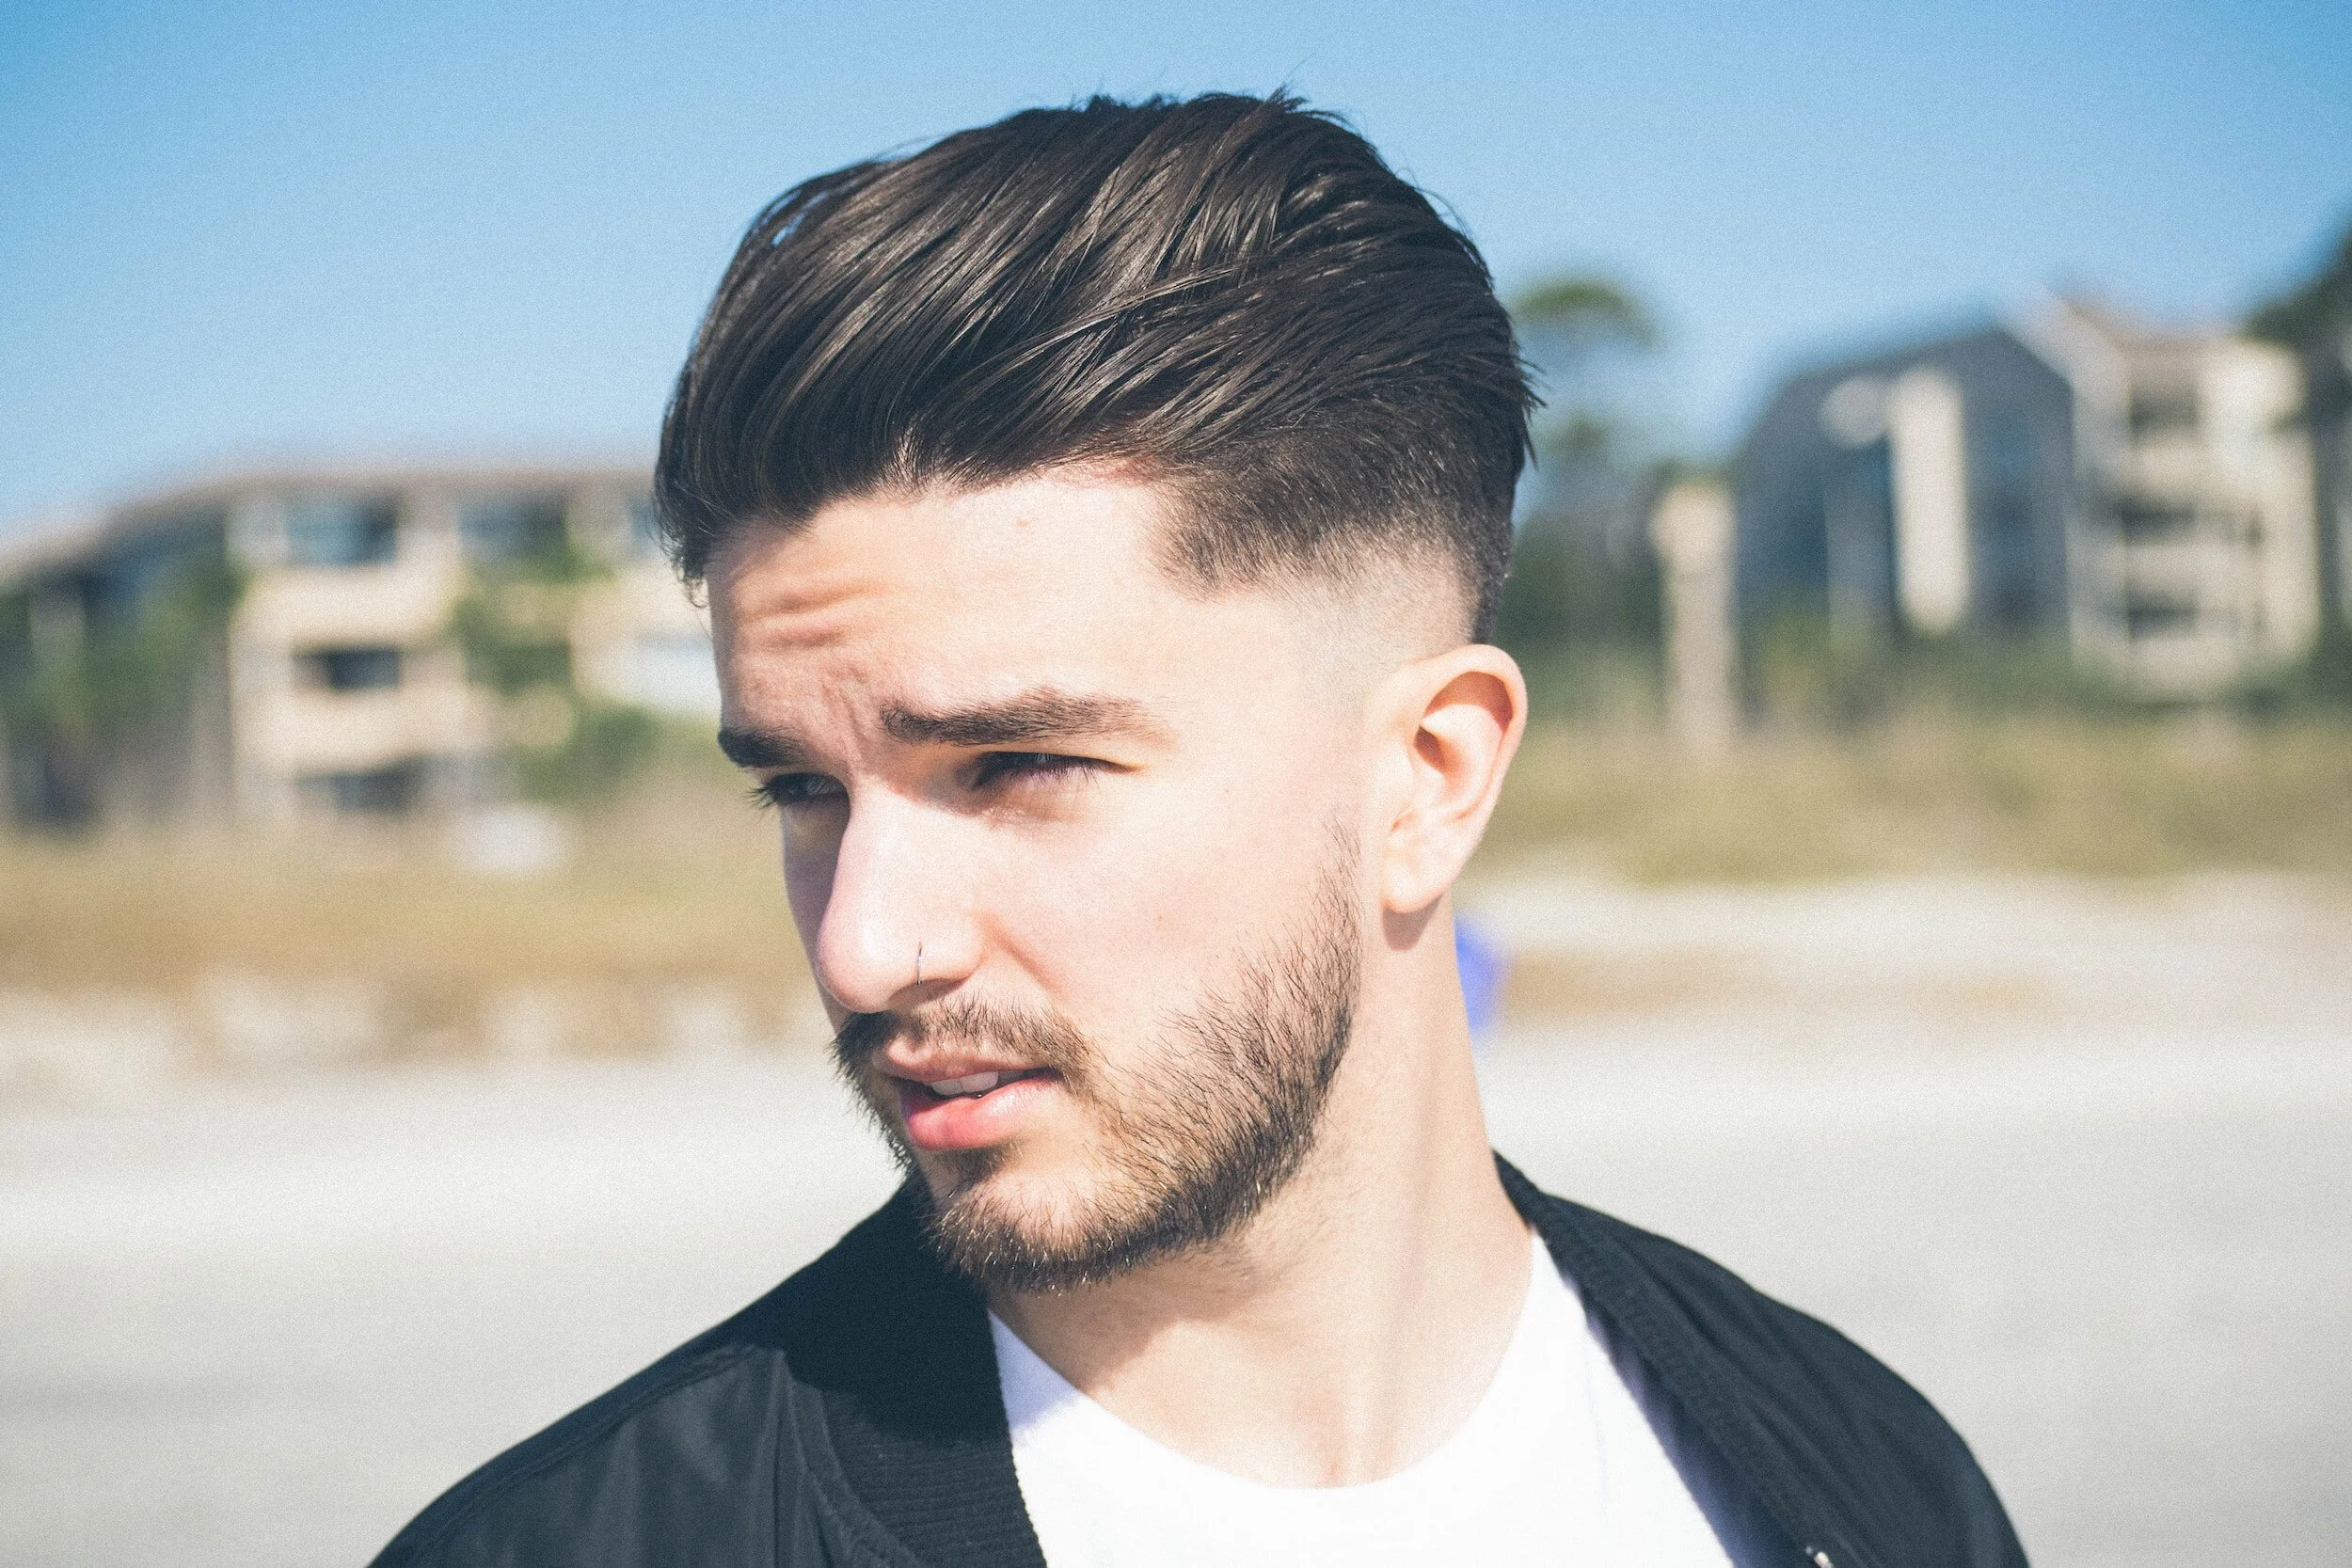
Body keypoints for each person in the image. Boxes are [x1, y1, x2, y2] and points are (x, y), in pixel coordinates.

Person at [372, 93, 2025, 1568]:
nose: (861, 944)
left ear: (1431, 777)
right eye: (803, 787)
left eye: (1015, 763)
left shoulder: (1854, 1483)